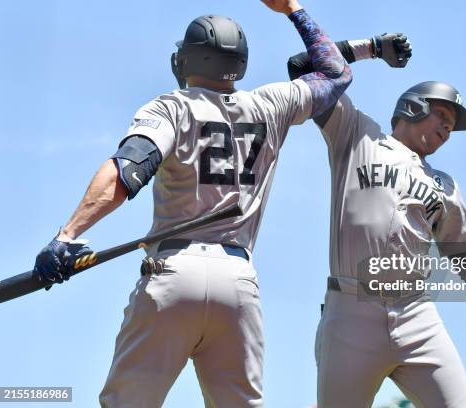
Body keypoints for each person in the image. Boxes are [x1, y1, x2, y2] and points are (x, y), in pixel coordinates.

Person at [32, 1, 352, 407]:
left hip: (173, 274)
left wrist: (66, 236)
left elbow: (128, 170)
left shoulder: (171, 107)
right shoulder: (273, 104)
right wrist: (293, 9)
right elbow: (335, 71)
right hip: (238, 283)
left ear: (187, 58)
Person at [287, 35, 466, 408]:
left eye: (451, 125)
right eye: (442, 116)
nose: (447, 129)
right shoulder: (357, 135)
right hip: (351, 311)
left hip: (416, 314)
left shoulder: (444, 185)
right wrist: (372, 48)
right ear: (411, 107)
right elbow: (301, 68)